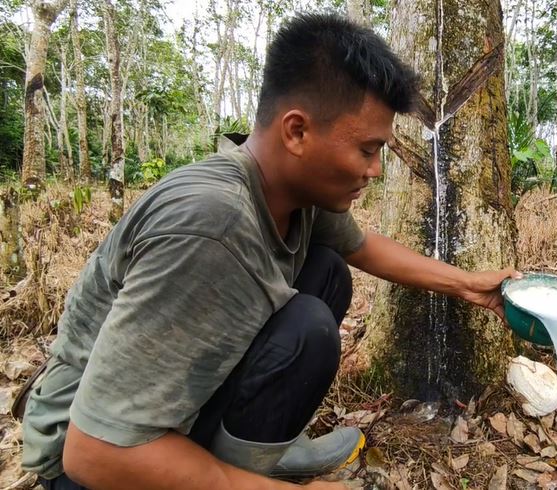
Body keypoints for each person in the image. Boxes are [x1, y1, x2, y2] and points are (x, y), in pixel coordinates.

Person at [20, 12, 519, 490]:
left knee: (327, 271)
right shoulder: (212, 226)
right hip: (94, 463)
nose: (375, 171)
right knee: (308, 328)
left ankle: (261, 448)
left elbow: (363, 248)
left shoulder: (289, 191)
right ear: (297, 131)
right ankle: (244, 474)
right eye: (367, 150)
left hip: (139, 432)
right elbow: (94, 455)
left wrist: (468, 284)